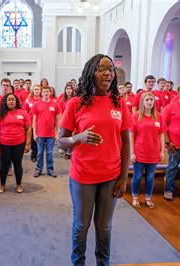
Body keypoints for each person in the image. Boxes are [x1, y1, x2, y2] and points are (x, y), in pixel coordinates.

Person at [58, 54, 132, 265]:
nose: (108, 73)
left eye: (110, 69)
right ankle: (78, 262)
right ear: (91, 73)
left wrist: (123, 178)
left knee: (104, 226)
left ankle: (103, 263)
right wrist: (78, 138)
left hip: (110, 175)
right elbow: (62, 140)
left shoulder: (119, 103)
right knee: (81, 225)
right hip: (83, 175)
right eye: (102, 69)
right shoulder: (76, 103)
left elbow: (126, 142)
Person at [130, 92, 166, 209]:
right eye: (147, 100)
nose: (150, 102)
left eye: (151, 99)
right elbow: (131, 135)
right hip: (139, 152)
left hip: (153, 152)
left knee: (150, 177)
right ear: (142, 102)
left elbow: (161, 135)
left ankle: (148, 198)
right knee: (138, 176)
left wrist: (162, 151)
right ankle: (135, 197)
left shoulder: (158, 116)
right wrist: (131, 153)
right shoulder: (136, 116)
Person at [0, 93, 31, 193]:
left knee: (18, 164)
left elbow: (28, 129)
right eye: (9, 100)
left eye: (13, 100)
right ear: (5, 102)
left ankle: (19, 185)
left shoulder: (22, 113)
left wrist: (27, 144)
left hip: (19, 144)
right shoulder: (0, 114)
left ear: (16, 101)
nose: (11, 101)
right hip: (4, 144)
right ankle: (2, 185)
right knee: (4, 165)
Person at [31, 86, 61, 178]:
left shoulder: (55, 105)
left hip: (50, 134)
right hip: (40, 134)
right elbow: (34, 120)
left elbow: (57, 121)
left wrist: (57, 134)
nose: (46, 93)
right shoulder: (37, 104)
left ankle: (50, 170)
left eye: (48, 91)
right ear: (41, 93)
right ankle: (38, 170)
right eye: (44, 91)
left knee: (49, 153)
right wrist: (35, 133)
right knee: (39, 153)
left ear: (50, 93)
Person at [24, 84, 42, 162]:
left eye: (38, 89)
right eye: (35, 89)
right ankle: (33, 155)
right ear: (33, 91)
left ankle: (39, 155)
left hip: (41, 124)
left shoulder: (42, 99)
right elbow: (25, 111)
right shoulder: (28, 100)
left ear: (40, 91)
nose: (36, 91)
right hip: (31, 123)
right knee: (33, 140)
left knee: (40, 140)